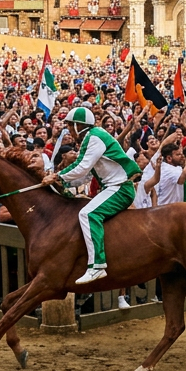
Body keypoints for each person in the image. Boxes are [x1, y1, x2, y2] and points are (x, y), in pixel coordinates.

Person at [40, 106, 141, 285]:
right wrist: (62, 183)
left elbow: (81, 167)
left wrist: (57, 176)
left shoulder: (94, 137)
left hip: (120, 188)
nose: (69, 130)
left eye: (71, 126)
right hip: (112, 186)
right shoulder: (93, 136)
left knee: (87, 214)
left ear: (79, 125)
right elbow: (85, 175)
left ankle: (97, 266)